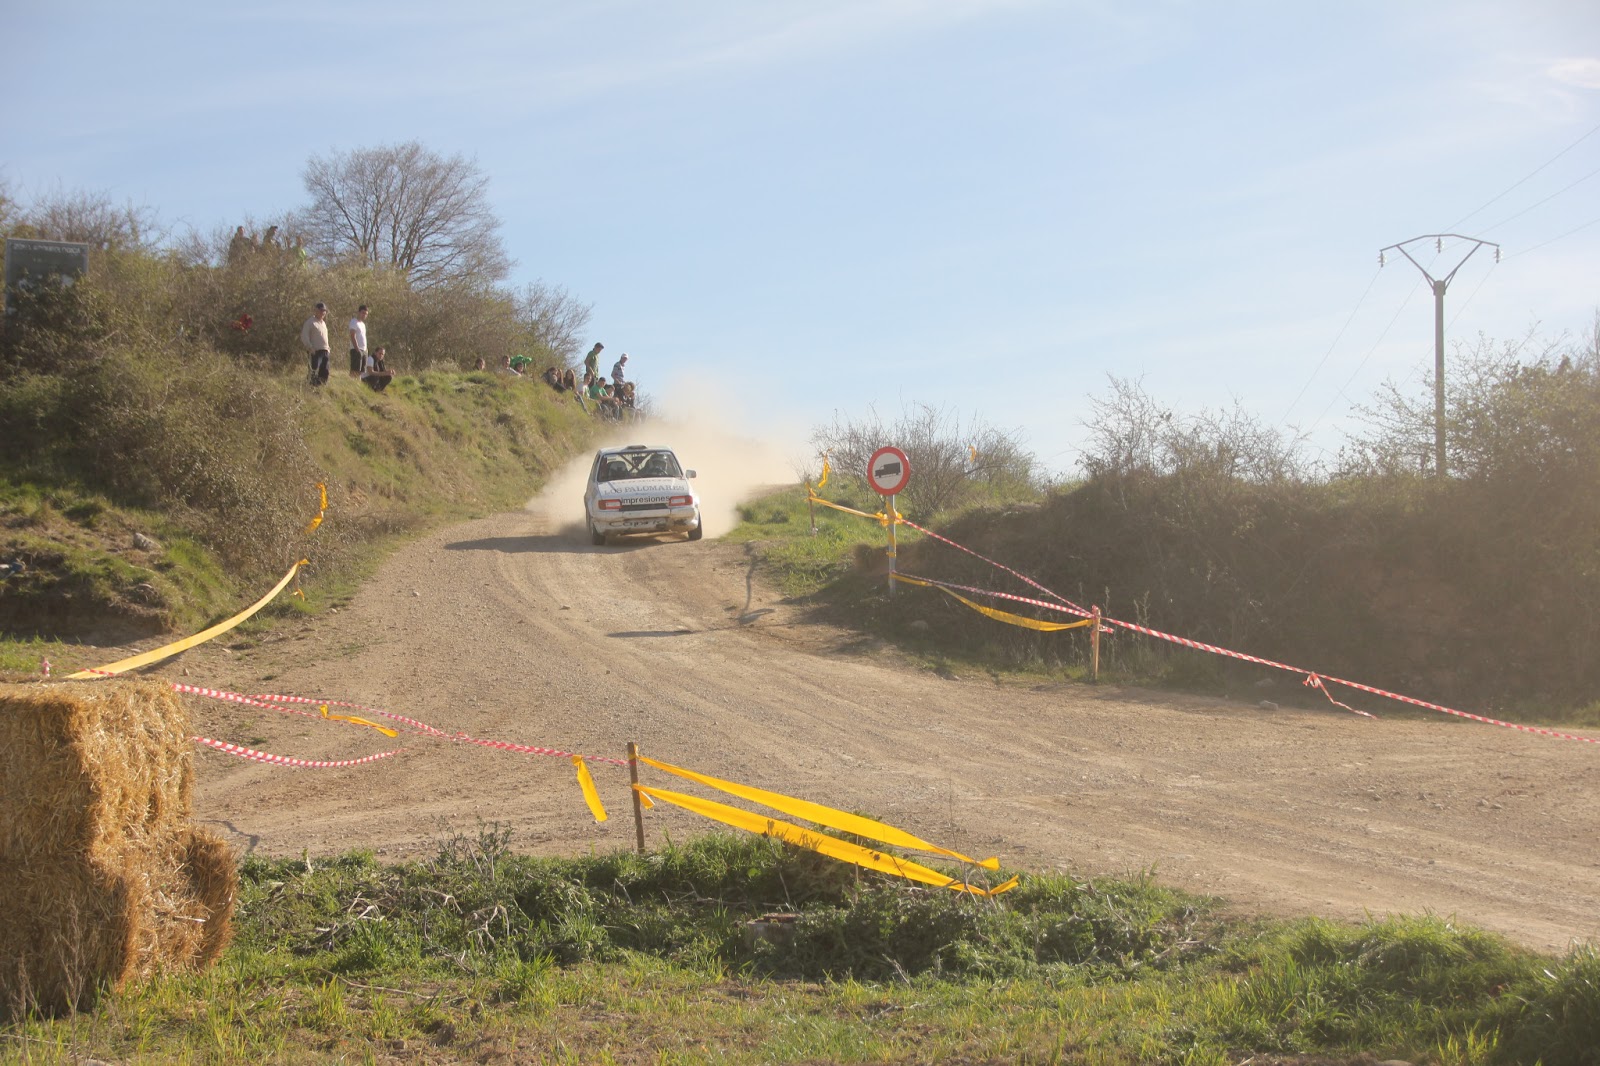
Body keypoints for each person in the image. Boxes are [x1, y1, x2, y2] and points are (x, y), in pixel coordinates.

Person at [300, 301, 331, 387]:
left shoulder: (323, 323)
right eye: (321, 310)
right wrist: (310, 347)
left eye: (324, 311)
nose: (323, 313)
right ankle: (311, 387)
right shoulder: (310, 322)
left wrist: (328, 349)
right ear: (316, 310)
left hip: (325, 351)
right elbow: (304, 336)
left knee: (325, 371)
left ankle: (321, 388)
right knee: (314, 370)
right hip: (315, 351)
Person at [348, 305, 369, 377]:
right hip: (356, 349)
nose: (364, 315)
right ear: (359, 312)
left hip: (364, 350)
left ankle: (357, 383)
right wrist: (357, 349)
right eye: (363, 313)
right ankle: (351, 382)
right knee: (355, 369)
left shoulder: (363, 324)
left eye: (366, 314)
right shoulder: (354, 321)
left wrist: (366, 349)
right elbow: (352, 336)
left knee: (362, 370)